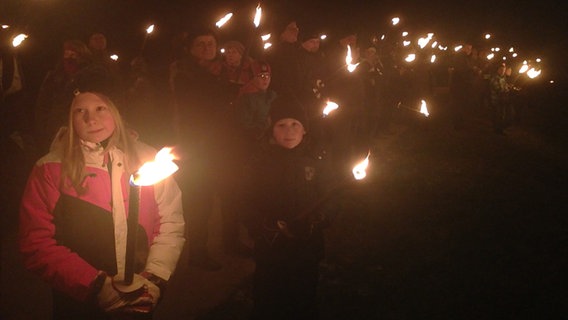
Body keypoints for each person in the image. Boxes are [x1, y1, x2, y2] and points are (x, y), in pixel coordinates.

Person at [18, 72, 185, 319]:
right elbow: (36, 242)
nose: (91, 119)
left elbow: (171, 222)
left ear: (116, 111)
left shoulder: (146, 160)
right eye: (79, 111)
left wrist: (155, 277)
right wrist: (95, 286)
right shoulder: (50, 169)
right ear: (69, 118)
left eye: (100, 108)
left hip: (139, 289)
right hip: (76, 297)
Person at [243, 95, 339, 320]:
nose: (289, 131)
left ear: (305, 129)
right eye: (281, 125)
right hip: (271, 245)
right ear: (271, 128)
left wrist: (318, 219)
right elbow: (244, 198)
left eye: (295, 124)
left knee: (303, 292)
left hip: (307, 244)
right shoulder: (259, 161)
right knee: (268, 294)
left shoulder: (316, 158)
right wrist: (262, 226)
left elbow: (331, 195)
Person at [172, 26, 234, 270]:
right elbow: (199, 105)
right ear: (190, 49)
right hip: (197, 146)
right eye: (201, 44)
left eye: (210, 43)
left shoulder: (221, 71)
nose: (207, 48)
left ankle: (230, 241)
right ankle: (197, 252)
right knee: (200, 201)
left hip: (223, 144)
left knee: (230, 193)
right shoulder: (185, 74)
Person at [489, 63, 512, 135]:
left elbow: (505, 87)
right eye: (501, 69)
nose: (503, 71)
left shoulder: (503, 78)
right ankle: (497, 130)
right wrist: (506, 90)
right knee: (497, 115)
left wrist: (509, 87)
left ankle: (500, 129)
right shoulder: (494, 78)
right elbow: (498, 89)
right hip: (496, 100)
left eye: (504, 70)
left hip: (503, 100)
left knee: (503, 114)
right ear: (498, 70)